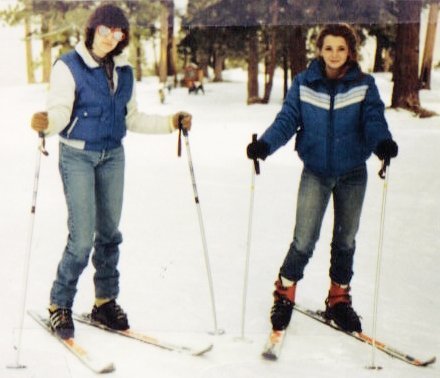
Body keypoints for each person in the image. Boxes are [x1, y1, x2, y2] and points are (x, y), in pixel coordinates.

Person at [30, 4, 192, 339]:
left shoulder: (125, 70)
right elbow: (59, 112)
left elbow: (131, 118)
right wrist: (46, 124)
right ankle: (59, 303)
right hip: (77, 156)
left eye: (117, 33)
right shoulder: (69, 65)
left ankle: (105, 302)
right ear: (91, 30)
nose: (110, 38)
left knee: (109, 233)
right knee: (81, 237)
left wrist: (170, 122)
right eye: (104, 31)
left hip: (113, 156)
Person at [247, 24, 398, 333]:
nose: (334, 54)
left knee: (345, 240)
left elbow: (373, 119)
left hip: (353, 172)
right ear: (319, 50)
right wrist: (265, 145)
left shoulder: (364, 84)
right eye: (328, 48)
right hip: (315, 171)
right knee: (304, 238)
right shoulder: (304, 83)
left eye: (341, 48)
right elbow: (288, 119)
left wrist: (381, 142)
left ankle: (338, 299)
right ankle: (285, 291)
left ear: (351, 52)